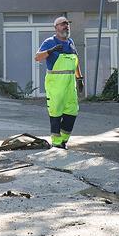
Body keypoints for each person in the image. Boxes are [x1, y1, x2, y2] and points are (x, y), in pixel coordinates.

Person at [35, 17, 83, 148]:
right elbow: (37, 57)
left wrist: (80, 78)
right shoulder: (49, 41)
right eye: (63, 24)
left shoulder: (71, 42)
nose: (66, 26)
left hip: (70, 84)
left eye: (67, 24)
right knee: (55, 112)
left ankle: (63, 140)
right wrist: (51, 50)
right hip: (55, 84)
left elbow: (76, 60)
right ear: (56, 27)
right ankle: (56, 143)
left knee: (72, 111)